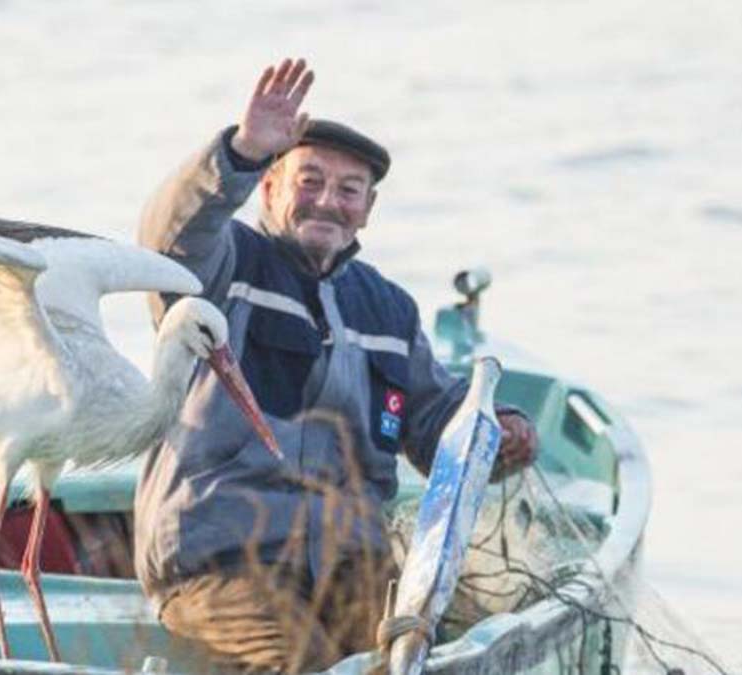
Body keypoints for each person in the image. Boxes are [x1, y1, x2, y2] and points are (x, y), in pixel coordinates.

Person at [134, 58, 538, 673]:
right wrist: (241, 151)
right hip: (221, 564)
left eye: (348, 190)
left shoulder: (387, 309)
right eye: (309, 180)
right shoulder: (224, 267)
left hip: (351, 568)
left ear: (367, 209)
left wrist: (499, 431)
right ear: (269, 188)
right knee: (303, 663)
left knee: (429, 656)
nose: (328, 201)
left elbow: (435, 423)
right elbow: (170, 238)